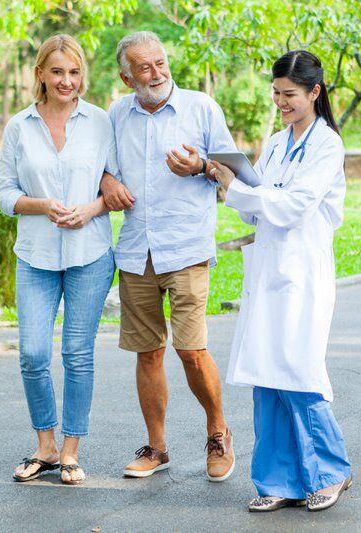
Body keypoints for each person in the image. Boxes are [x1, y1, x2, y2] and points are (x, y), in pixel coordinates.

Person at [210, 50, 352, 511]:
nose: (280, 102)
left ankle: (331, 471)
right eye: (275, 93)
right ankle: (277, 482)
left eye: (289, 94)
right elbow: (258, 205)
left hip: (303, 273)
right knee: (266, 374)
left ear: (315, 92)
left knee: (298, 371)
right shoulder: (274, 143)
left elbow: (294, 207)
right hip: (269, 270)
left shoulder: (328, 145)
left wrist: (241, 190)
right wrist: (230, 181)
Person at [99, 31, 237, 481]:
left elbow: (235, 170)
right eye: (144, 67)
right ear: (126, 77)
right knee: (147, 353)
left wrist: (201, 167)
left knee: (192, 350)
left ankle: (218, 432)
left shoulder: (202, 107)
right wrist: (106, 182)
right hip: (137, 250)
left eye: (160, 62)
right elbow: (99, 166)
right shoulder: (116, 116)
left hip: (186, 247)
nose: (156, 73)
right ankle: (157, 448)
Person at [0, 34, 117, 486]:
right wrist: (43, 205)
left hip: (90, 254)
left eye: (74, 72)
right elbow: (5, 193)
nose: (66, 81)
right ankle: (44, 446)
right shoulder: (18, 126)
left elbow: (116, 185)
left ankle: (70, 451)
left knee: (77, 354)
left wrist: (89, 208)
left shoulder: (101, 123)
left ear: (82, 75)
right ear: (40, 75)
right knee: (31, 354)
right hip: (36, 254)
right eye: (57, 72)